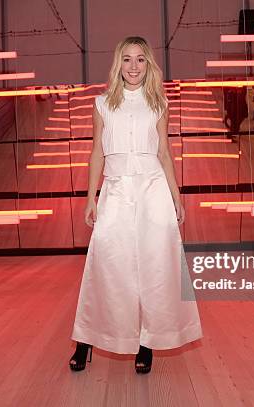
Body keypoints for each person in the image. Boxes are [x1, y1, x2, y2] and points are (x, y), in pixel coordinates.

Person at [69, 36, 203, 374]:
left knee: (156, 268)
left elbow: (164, 153)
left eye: (140, 59)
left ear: (149, 64)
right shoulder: (102, 103)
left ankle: (147, 342)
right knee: (106, 264)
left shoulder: (159, 104)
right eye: (127, 59)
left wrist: (176, 197)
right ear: (118, 64)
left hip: (153, 190)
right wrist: (91, 198)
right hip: (115, 190)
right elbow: (96, 153)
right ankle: (86, 339)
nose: (133, 66)